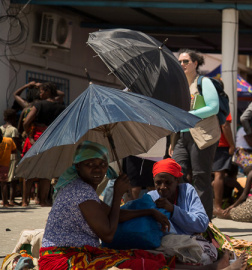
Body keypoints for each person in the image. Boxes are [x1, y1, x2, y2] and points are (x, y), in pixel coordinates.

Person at [39, 141, 171, 269]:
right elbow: (108, 235)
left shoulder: (82, 188)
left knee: (143, 256)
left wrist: (150, 212)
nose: (97, 169)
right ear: (78, 166)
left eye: (102, 164)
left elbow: (114, 214)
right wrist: (117, 194)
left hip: (75, 253)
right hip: (62, 259)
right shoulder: (81, 191)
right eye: (90, 164)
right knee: (148, 265)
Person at [172, 49, 220, 220]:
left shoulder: (204, 82)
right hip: (182, 136)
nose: (182, 64)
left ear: (195, 63)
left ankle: (204, 220)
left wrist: (189, 116)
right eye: (180, 62)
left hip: (202, 135)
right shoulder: (179, 85)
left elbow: (214, 107)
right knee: (176, 173)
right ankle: (183, 215)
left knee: (201, 177)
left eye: (185, 61)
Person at [22, 82, 65, 207]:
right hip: (52, 139)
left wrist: (29, 135)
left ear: (47, 92)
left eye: (41, 91)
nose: (40, 93)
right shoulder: (61, 107)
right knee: (46, 172)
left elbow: (26, 122)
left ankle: (25, 201)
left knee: (29, 170)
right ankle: (43, 200)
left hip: (36, 138)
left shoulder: (39, 104)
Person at [147, 158, 209, 235]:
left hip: (188, 241)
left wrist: (173, 210)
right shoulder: (151, 197)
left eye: (168, 182)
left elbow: (202, 223)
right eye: (158, 183)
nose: (162, 187)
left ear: (177, 181)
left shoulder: (187, 190)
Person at [212, 113, 236, 217]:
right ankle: (217, 207)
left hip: (205, 142)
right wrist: (232, 144)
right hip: (221, 144)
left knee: (207, 174)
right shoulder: (222, 106)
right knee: (219, 175)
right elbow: (225, 125)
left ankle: (209, 205)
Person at [1, 109, 21, 206]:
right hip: (12, 156)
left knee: (3, 181)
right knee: (12, 179)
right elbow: (15, 144)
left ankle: (4, 199)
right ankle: (11, 200)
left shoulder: (1, 128)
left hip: (2, 156)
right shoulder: (13, 130)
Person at [0, 132, 16, 207]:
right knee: (4, 183)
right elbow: (14, 150)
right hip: (4, 164)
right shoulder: (9, 140)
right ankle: (5, 202)